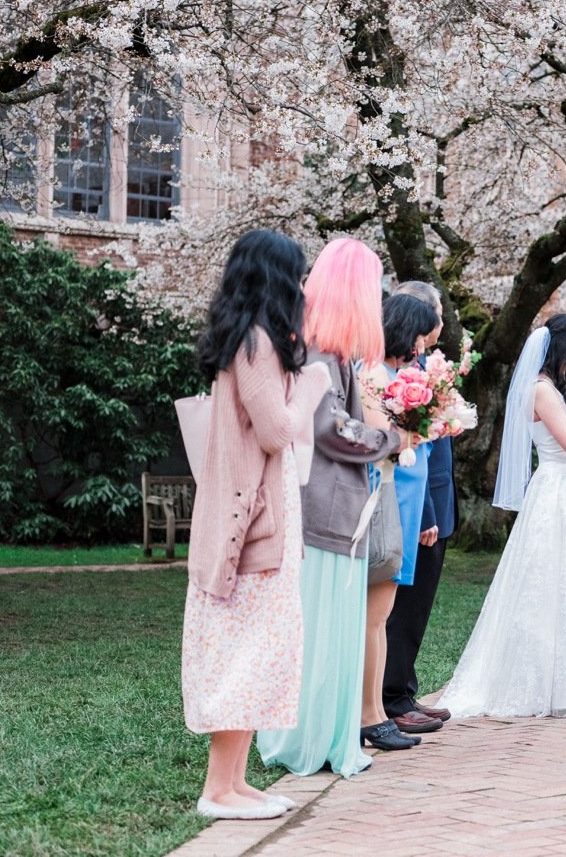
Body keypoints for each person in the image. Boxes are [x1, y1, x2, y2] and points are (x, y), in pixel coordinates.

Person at [182, 230, 332, 819]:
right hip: (252, 523)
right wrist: (315, 384)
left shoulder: (256, 339)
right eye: (296, 275)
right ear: (275, 278)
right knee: (244, 651)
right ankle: (218, 791)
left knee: (259, 647)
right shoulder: (254, 342)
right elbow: (275, 431)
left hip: (263, 514)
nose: (303, 287)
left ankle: (235, 782)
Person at [438, 314, 566, 718]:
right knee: (547, 581)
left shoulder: (559, 390)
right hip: (554, 490)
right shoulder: (540, 391)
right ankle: (535, 683)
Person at [255, 237, 403, 779]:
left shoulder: (326, 347)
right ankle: (307, 738)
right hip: (322, 509)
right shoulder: (320, 348)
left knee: (328, 630)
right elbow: (328, 426)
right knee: (317, 632)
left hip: (333, 508)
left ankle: (321, 734)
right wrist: (388, 440)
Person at [358, 293, 441, 749]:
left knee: (382, 614)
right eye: (419, 335)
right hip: (388, 497)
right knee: (375, 615)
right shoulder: (374, 372)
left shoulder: (399, 373)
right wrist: (423, 423)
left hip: (407, 499)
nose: (421, 345)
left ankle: (374, 711)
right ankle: (371, 714)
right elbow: (382, 437)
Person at [383, 280, 458, 735]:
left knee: (419, 604)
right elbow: (414, 452)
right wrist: (428, 511)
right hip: (418, 503)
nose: (440, 324)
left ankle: (404, 688)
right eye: (435, 316)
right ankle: (392, 696)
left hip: (438, 497)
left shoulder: (430, 367)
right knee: (402, 607)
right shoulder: (400, 375)